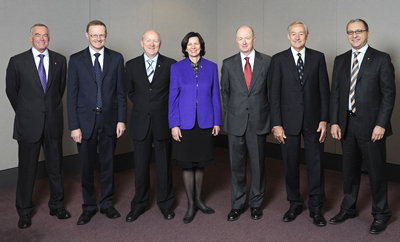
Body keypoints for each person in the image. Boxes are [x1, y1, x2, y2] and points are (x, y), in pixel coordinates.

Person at [329, 18, 395, 234]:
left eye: (359, 31)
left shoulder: (381, 59)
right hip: (347, 124)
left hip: (372, 127)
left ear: (367, 33)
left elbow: (388, 94)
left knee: (376, 172)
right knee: (349, 171)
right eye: (350, 32)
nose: (354, 35)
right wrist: (335, 122)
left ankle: (381, 214)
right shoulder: (340, 60)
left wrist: (381, 124)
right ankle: (348, 208)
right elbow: (336, 94)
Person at [6, 23, 71, 229]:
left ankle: (57, 205)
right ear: (30, 37)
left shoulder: (60, 60)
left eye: (45, 35)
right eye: (38, 35)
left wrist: (46, 110)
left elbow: (59, 90)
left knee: (56, 167)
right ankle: (24, 211)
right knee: (27, 170)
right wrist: (28, 112)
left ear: (49, 38)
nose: (42, 38)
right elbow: (12, 92)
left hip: (52, 122)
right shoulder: (17, 61)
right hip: (28, 124)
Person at [269, 21, 330, 226]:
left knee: (316, 165)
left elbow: (324, 91)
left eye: (301, 34)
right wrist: (276, 123)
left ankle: (316, 207)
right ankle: (294, 204)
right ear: (288, 36)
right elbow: (273, 94)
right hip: (287, 122)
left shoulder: (318, 57)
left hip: (314, 121)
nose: (297, 37)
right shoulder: (278, 60)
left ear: (307, 35)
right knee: (290, 165)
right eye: (293, 34)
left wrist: (324, 119)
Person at [67, 20, 127, 225]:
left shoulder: (116, 59)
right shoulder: (75, 60)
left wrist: (121, 120)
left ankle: (107, 204)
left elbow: (121, 93)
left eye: (102, 35)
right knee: (86, 166)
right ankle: (89, 206)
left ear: (106, 35)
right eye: (94, 35)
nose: (98, 39)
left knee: (108, 165)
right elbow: (71, 96)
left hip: (110, 120)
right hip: (84, 123)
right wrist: (74, 125)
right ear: (87, 35)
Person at [169, 32, 222, 224]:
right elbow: (172, 99)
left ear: (201, 46)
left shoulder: (212, 67)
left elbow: (216, 96)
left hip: (206, 122)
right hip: (185, 123)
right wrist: (174, 124)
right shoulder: (176, 68)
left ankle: (199, 200)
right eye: (189, 44)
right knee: (187, 163)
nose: (193, 47)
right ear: (185, 47)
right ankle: (191, 204)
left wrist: (217, 121)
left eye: (196, 44)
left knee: (201, 163)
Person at [221, 26, 271, 221]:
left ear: (254, 39)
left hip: (258, 121)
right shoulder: (228, 63)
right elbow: (224, 91)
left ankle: (256, 204)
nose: (244, 42)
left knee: (258, 166)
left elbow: (270, 91)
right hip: (235, 122)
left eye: (247, 38)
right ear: (236, 40)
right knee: (237, 166)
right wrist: (233, 111)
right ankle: (238, 204)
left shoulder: (267, 62)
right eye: (240, 38)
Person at [125, 30, 176, 222]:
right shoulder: (130, 65)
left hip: (163, 122)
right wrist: (143, 106)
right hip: (140, 123)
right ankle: (139, 205)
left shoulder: (171, 65)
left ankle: (166, 204)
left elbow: (174, 93)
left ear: (160, 43)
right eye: (148, 41)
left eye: (155, 41)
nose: (152, 44)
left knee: (164, 166)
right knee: (140, 167)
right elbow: (129, 91)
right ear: (142, 43)